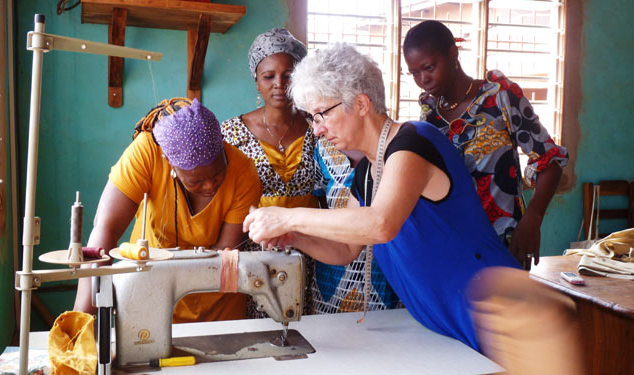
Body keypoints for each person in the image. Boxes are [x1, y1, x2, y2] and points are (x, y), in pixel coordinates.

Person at [242, 44, 584, 374]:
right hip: (449, 324)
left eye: (321, 114)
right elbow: (345, 248)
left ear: (361, 104)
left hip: (499, 314)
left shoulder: (413, 143)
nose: (317, 129)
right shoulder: (366, 173)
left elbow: (380, 224)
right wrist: (295, 235)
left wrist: (285, 214)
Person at [74, 98, 262, 323]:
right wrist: (82, 319)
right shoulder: (147, 152)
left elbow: (222, 257)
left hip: (218, 307)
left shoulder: (244, 172)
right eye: (197, 181)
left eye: (218, 174)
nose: (210, 186)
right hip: (149, 296)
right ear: (169, 163)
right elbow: (106, 229)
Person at [402, 20, 568, 270]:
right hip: (452, 248)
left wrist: (532, 220)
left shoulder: (499, 97)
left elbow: (550, 160)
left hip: (503, 243)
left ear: (453, 54)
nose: (423, 79)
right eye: (414, 73)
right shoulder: (429, 115)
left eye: (429, 67)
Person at [221, 28, 317, 314]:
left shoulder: (320, 126)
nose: (279, 84)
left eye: (288, 75)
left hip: (314, 248)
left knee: (312, 330)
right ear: (256, 81)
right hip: (255, 250)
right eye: (269, 76)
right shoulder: (231, 133)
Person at [311, 139, 401, 313]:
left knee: (386, 332)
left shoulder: (398, 148)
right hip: (333, 273)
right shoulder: (323, 148)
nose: (316, 128)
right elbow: (321, 199)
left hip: (382, 272)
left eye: (324, 113)